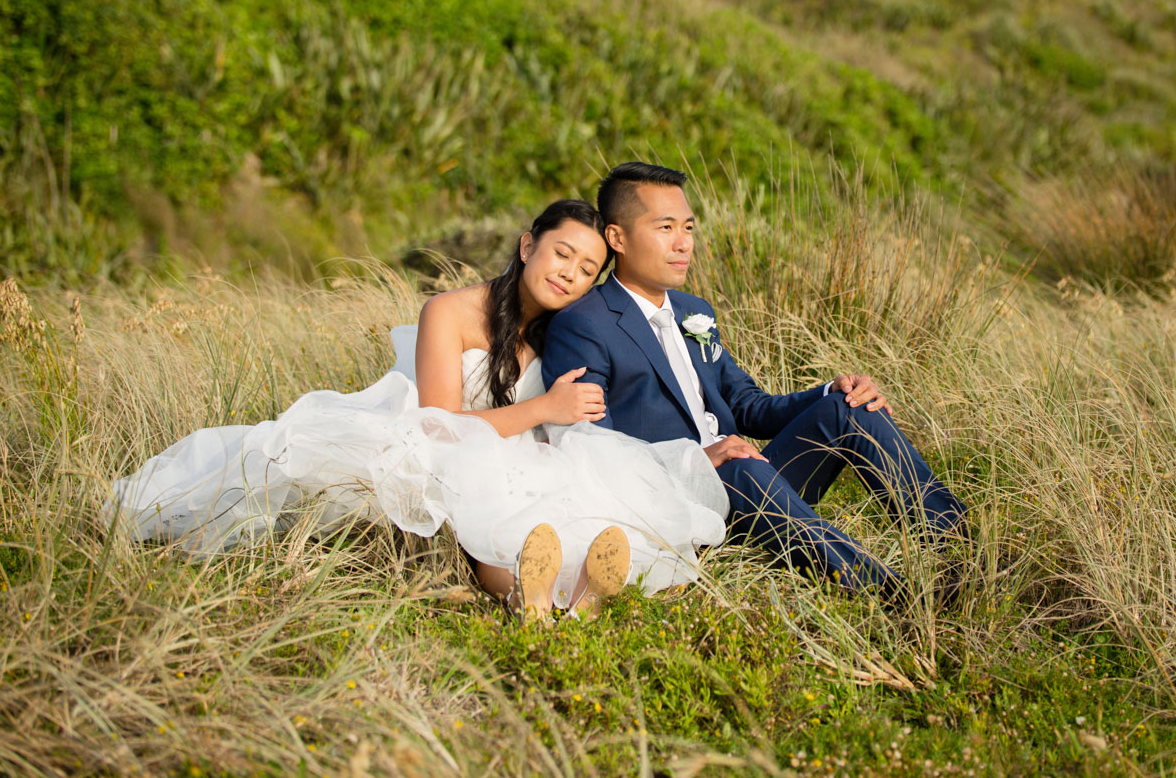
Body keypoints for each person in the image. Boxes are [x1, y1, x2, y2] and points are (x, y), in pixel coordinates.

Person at [105, 199, 729, 619]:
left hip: (525, 446)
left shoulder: (563, 335)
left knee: (581, 490)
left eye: (588, 269)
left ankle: (576, 595)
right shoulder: (450, 312)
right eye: (561, 254)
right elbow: (438, 426)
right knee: (489, 489)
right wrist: (544, 407)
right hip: (441, 446)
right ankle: (535, 599)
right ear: (526, 246)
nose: (570, 274)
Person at [541, 165, 968, 601]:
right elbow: (591, 449)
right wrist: (697, 460)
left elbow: (746, 405)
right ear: (617, 238)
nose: (683, 242)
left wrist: (830, 391)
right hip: (674, 505)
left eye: (688, 227)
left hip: (750, 484)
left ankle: (960, 550)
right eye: (665, 227)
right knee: (739, 466)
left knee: (851, 407)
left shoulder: (692, 309)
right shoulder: (583, 325)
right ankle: (894, 595)